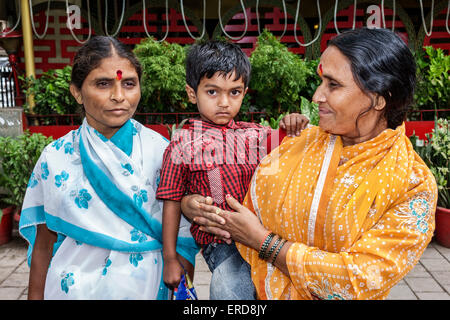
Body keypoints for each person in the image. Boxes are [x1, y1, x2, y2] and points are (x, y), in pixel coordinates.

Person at [182, 28, 438, 300]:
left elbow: (359, 277)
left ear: (378, 98)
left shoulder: (413, 185)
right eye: (321, 81)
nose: (317, 96)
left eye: (333, 85)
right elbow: (237, 185)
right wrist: (192, 203)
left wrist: (263, 242)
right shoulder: (302, 141)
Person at [18, 36, 198, 300]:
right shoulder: (55, 158)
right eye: (103, 84)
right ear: (77, 92)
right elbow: (45, 244)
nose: (118, 96)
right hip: (72, 290)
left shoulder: (163, 152)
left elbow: (183, 237)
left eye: (129, 84)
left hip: (146, 288)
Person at [156, 40, 309, 299]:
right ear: (192, 93)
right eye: (212, 92)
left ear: (244, 93)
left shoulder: (255, 135)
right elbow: (170, 201)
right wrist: (170, 257)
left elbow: (292, 144)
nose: (224, 102)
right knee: (227, 287)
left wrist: (292, 123)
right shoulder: (182, 144)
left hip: (265, 234)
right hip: (222, 242)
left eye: (234, 92)